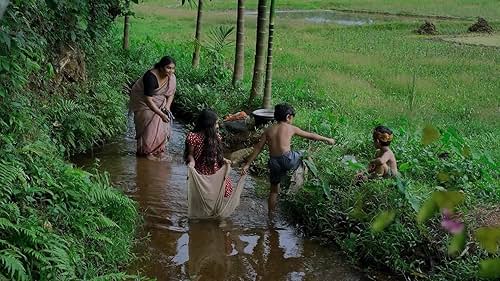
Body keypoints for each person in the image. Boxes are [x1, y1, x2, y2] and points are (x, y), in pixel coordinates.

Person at [241, 103, 335, 216]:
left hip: (273, 162)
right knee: (304, 153)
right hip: (287, 159)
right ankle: (312, 176)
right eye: (292, 118)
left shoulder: (268, 130)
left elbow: (258, 148)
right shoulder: (290, 128)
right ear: (288, 117)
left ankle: (270, 216)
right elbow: (311, 135)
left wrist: (247, 164)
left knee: (274, 190)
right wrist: (327, 139)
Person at [129, 56, 176, 160]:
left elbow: (171, 93)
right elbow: (148, 100)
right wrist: (161, 114)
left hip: (159, 100)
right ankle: (146, 153)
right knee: (148, 128)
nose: (171, 71)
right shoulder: (150, 77)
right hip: (143, 101)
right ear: (160, 67)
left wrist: (167, 107)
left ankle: (159, 151)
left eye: (173, 68)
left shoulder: (171, 77)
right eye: (168, 68)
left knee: (162, 127)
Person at [185, 109, 233, 197]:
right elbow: (190, 154)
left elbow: (216, 154)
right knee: (202, 195)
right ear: (208, 124)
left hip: (215, 170)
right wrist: (192, 162)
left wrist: (224, 159)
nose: (218, 126)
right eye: (216, 123)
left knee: (223, 191)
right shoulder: (193, 137)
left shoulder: (216, 137)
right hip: (200, 172)